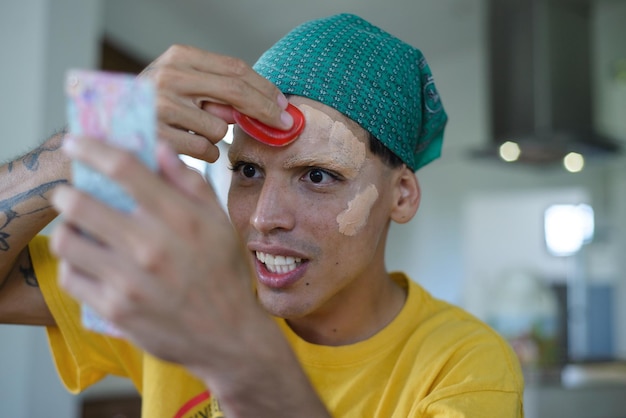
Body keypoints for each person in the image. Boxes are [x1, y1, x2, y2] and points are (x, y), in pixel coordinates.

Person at [0, 13, 524, 417]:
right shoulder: (181, 283)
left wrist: (237, 350)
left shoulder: (465, 365)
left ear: (402, 195)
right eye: (248, 171)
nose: (262, 218)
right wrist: (87, 145)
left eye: (317, 176)